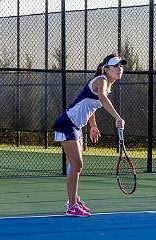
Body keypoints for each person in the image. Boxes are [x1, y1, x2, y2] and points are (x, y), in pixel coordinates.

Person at [52, 53, 127, 217]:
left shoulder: (107, 85)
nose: (119, 69)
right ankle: (72, 206)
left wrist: (93, 126)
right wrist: (117, 117)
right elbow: (101, 99)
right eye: (115, 66)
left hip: (76, 126)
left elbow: (90, 105)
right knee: (77, 164)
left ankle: (74, 200)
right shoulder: (102, 80)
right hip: (67, 123)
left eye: (121, 66)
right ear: (106, 69)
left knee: (77, 165)